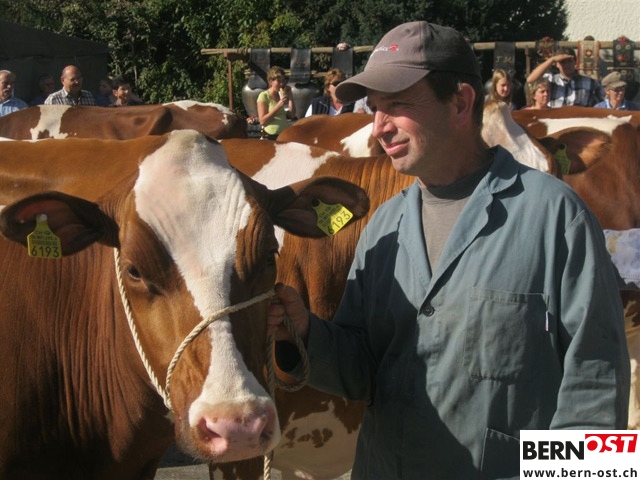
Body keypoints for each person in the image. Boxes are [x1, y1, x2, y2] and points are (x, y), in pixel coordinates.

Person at [267, 21, 630, 479]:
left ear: (460, 102)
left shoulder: (556, 217)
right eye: (375, 109)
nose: (378, 127)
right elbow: (362, 369)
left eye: (397, 105)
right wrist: (305, 332)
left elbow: (597, 387)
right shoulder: (383, 228)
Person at [526, 46, 603, 107]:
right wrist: (552, 60)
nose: (567, 65)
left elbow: (602, 104)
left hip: (580, 120)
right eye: (563, 62)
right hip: (555, 119)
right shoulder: (550, 80)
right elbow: (530, 80)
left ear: (575, 62)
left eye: (569, 61)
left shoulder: (590, 82)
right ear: (557, 64)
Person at [256, 66, 296, 140]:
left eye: (283, 81)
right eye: (278, 81)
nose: (281, 84)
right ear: (271, 81)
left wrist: (290, 96)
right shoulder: (264, 96)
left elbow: (292, 115)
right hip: (270, 136)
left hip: (283, 135)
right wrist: (278, 106)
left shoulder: (281, 95)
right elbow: (262, 121)